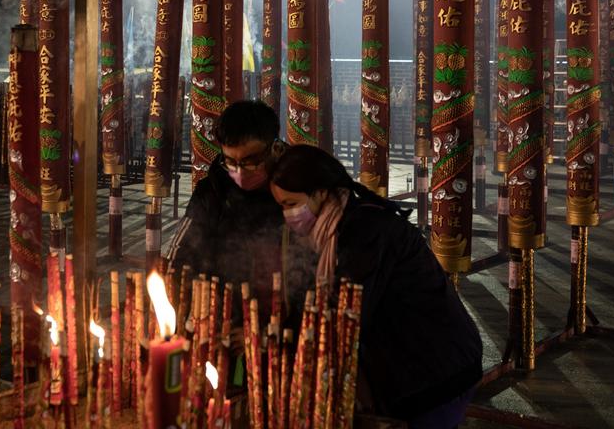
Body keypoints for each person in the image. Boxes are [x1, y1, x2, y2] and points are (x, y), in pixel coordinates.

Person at [270, 144, 482, 429]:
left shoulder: (366, 232)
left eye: (290, 204)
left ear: (320, 193)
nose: (287, 215)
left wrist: (282, 339)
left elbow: (346, 311)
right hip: (404, 365)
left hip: (435, 367)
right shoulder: (330, 228)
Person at [166, 100, 313, 325]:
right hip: (224, 316)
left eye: (250, 161)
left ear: (274, 147)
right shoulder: (213, 190)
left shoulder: (299, 188)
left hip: (284, 322)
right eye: (231, 161)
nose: (240, 172)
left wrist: (269, 329)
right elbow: (183, 250)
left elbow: (312, 267)